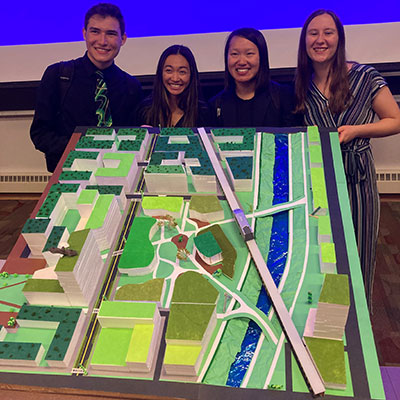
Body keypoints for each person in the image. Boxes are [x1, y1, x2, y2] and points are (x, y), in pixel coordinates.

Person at [295, 9, 400, 309]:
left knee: (358, 253)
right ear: (304, 41)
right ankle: (327, 321)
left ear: (339, 38)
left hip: (358, 180)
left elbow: (395, 119)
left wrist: (356, 131)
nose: (320, 40)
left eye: (328, 32)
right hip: (321, 178)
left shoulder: (364, 76)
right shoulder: (302, 85)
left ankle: (357, 325)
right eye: (313, 33)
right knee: (325, 253)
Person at [30, 3, 142, 172]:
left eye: (111, 34)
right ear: (84, 33)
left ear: (123, 39)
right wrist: (82, 150)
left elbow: (132, 137)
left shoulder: (131, 86)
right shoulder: (58, 75)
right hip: (68, 176)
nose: (102, 41)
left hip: (117, 175)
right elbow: (40, 133)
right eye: (95, 31)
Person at [209, 27, 300, 127]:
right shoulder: (216, 104)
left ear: (262, 57)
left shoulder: (283, 97)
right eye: (234, 54)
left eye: (249, 54)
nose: (242, 62)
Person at [137, 44, 211, 127]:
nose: (175, 78)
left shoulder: (203, 112)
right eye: (169, 71)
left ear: (191, 75)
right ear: (161, 73)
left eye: (182, 72)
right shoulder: (145, 110)